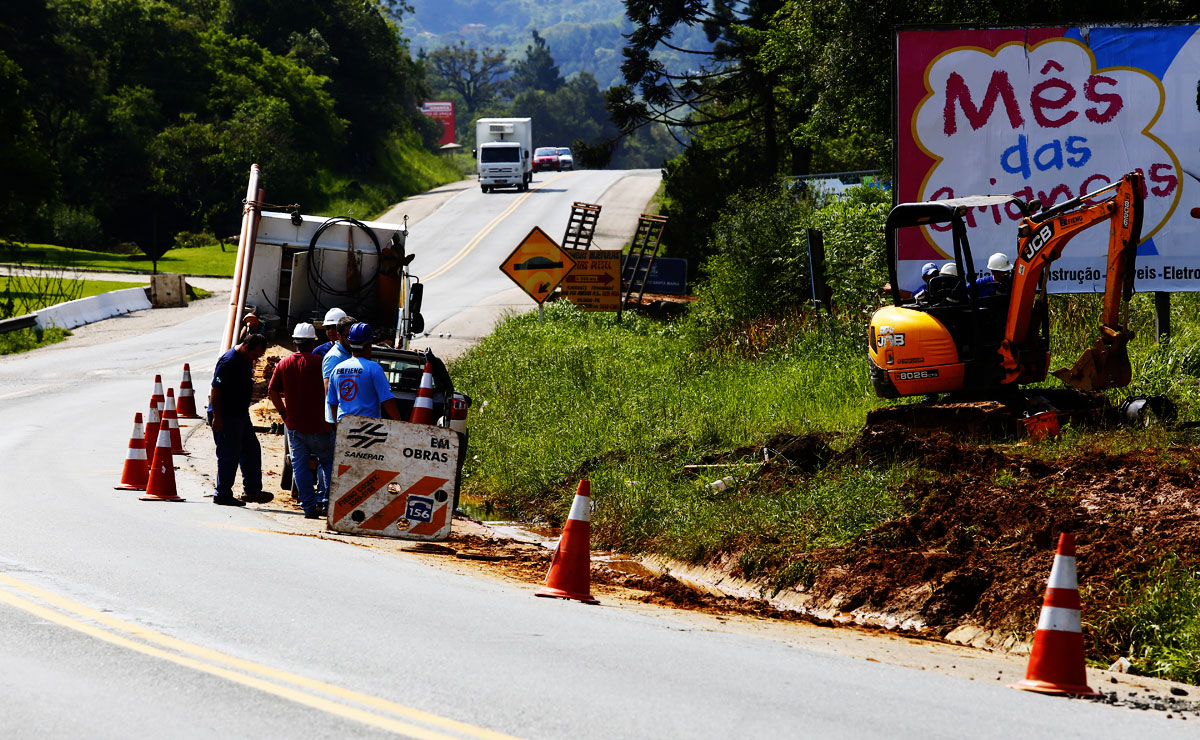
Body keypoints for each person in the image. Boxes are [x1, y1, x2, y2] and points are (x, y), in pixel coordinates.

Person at [268, 323, 334, 519]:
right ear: (314, 342)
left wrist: (283, 413)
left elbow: (272, 391)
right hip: (321, 425)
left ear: (294, 343)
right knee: (327, 463)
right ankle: (326, 502)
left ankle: (308, 507)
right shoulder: (321, 362)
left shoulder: (284, 363)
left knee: (300, 466)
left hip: (295, 426)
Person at [209, 333, 271, 507]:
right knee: (229, 455)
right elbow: (216, 390)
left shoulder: (245, 359)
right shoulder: (228, 362)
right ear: (245, 347)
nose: (255, 359)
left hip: (240, 415)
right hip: (225, 415)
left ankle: (252, 490)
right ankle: (222, 494)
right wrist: (218, 418)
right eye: (254, 355)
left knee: (251, 450)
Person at [326, 322, 402, 422]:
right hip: (368, 430)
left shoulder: (337, 370)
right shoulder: (374, 368)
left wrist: (338, 426)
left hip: (344, 429)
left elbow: (332, 403)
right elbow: (387, 400)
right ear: (368, 345)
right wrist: (400, 423)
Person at [321, 315, 357, 424]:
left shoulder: (350, 352)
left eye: (354, 335)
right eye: (348, 336)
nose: (352, 340)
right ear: (339, 335)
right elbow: (328, 389)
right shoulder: (334, 357)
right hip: (339, 419)